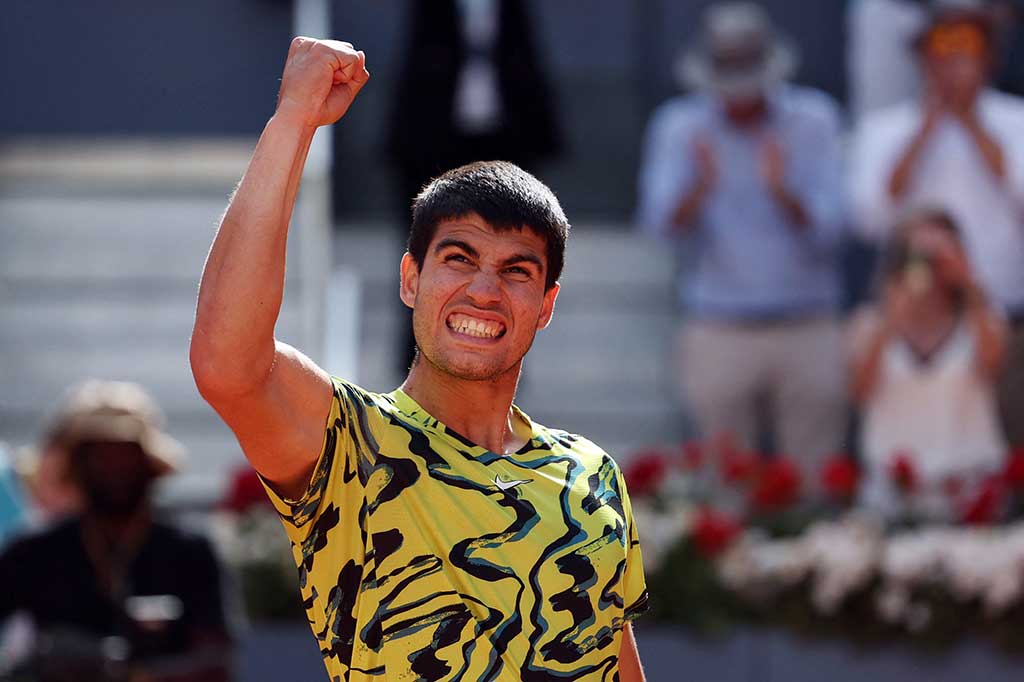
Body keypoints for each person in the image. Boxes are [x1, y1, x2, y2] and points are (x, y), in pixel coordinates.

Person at [190, 38, 647, 681]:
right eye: (459, 259)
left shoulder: (592, 472)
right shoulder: (350, 443)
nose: (484, 291)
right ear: (410, 279)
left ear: (546, 305)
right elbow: (227, 362)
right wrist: (293, 120)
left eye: (516, 271)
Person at [637, 2, 847, 495]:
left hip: (808, 321)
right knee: (723, 486)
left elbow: (837, 231)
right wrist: (699, 188)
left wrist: (784, 192)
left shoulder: (814, 118)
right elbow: (658, 229)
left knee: (816, 485)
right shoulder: (680, 125)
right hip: (718, 324)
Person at [848, 0, 1024, 448]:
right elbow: (869, 220)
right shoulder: (886, 129)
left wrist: (970, 123)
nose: (952, 63)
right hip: (914, 319)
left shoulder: (1016, 121)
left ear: (987, 59)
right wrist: (926, 131)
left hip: (1004, 312)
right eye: (941, 51)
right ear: (922, 59)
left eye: (965, 51)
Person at [0, 381, 233, 681]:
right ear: (79, 466)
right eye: (100, 455)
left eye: (124, 454)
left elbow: (217, 658)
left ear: (147, 462)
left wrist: (134, 674)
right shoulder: (36, 553)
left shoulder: (189, 551)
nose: (114, 468)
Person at [386, 0, 562, 373]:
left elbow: (525, 65)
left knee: (510, 258)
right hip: (435, 143)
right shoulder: (431, 10)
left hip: (505, 140)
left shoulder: (513, 10)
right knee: (428, 253)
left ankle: (507, 359)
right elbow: (416, 68)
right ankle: (414, 358)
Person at [848, 209, 1008, 520]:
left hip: (969, 487)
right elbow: (860, 393)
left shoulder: (982, 317)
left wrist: (967, 282)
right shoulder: (869, 322)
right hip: (892, 491)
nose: (929, 265)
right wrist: (891, 316)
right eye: (916, 255)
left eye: (940, 255)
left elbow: (990, 369)